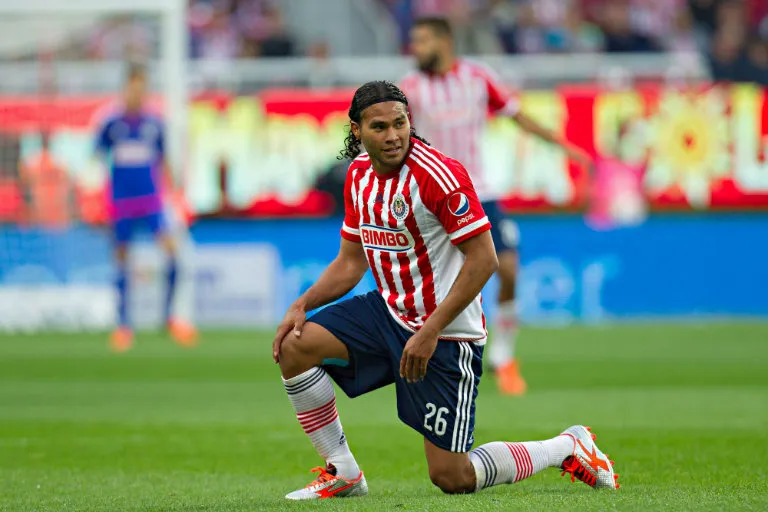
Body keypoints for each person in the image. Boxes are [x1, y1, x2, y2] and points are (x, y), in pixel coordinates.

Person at [272, 81, 618, 500]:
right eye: (379, 127)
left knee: (452, 478)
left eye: (400, 123)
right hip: (389, 315)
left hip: (447, 334)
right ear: (357, 130)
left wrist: (431, 330)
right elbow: (350, 263)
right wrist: (300, 304)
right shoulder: (359, 176)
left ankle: (568, 445)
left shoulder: (439, 175)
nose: (393, 135)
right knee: (294, 345)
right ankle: (343, 471)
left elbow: (484, 259)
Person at [401, 16, 593, 395]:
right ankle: (428, 357)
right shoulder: (410, 87)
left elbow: (517, 116)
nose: (416, 49)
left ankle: (503, 356)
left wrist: (565, 146)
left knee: (507, 268)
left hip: (479, 192)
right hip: (431, 197)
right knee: (434, 286)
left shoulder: (477, 77)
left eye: (422, 41)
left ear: (444, 41)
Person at [94, 63, 197, 352]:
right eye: (133, 86)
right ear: (125, 88)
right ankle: (123, 325)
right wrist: (101, 198)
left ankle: (169, 318)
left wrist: (176, 189)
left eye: (142, 87)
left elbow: (163, 160)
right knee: (121, 260)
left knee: (173, 256)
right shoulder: (111, 123)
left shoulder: (154, 124)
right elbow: (98, 158)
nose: (137, 92)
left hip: (151, 200)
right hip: (121, 202)